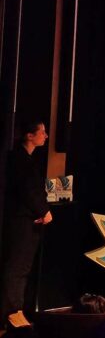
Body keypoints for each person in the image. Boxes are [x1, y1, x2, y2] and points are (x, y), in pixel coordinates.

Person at [1, 121, 52, 325]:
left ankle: (16, 310)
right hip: (21, 222)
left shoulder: (27, 159)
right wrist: (44, 211)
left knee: (22, 268)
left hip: (28, 220)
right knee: (17, 267)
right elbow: (27, 191)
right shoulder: (19, 160)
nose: (45, 136)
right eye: (42, 132)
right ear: (29, 136)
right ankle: (12, 312)